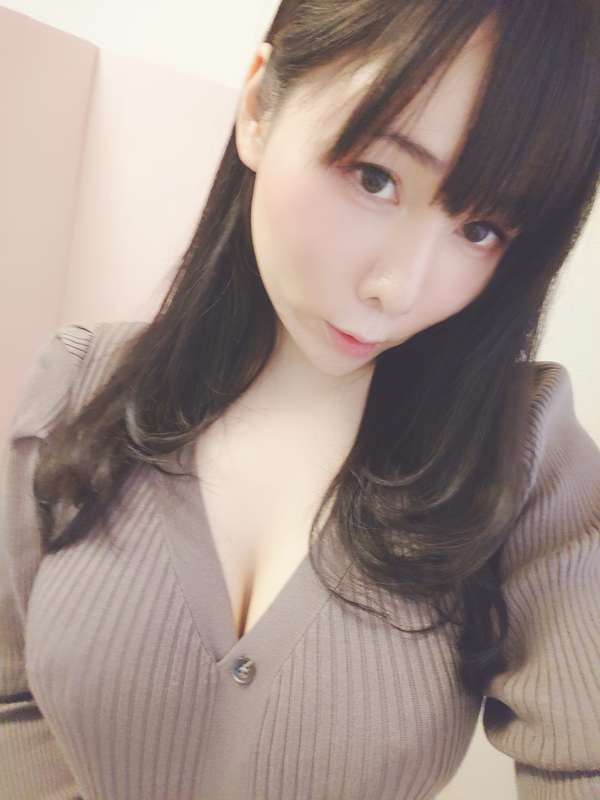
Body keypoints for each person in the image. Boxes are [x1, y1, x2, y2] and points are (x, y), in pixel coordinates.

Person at [1, 1, 599, 798]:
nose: (398, 288)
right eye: (375, 177)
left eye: (481, 227)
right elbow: (12, 696)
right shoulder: (81, 381)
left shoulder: (523, 457)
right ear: (258, 106)